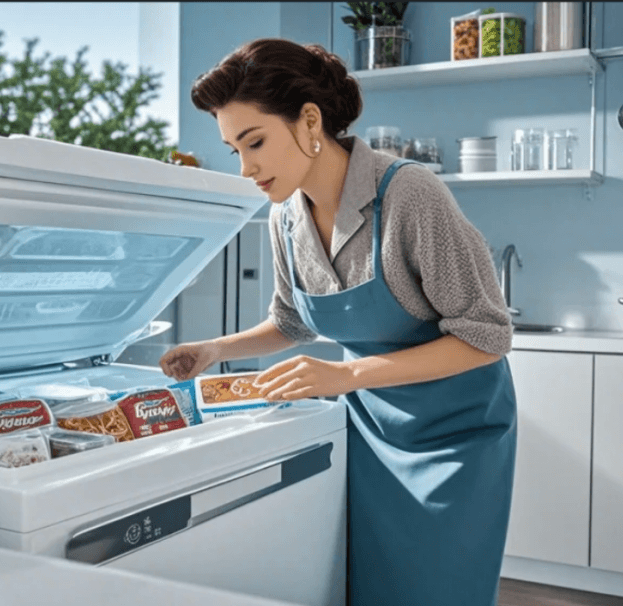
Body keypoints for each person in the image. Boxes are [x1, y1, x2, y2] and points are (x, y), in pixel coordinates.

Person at [159, 38, 517, 606]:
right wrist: (214, 349)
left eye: (255, 142)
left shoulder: (409, 195)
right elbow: (291, 322)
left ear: (309, 121)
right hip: (367, 435)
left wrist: (343, 377)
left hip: (455, 439)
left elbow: (486, 336)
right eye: (234, 151)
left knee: (440, 589)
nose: (248, 168)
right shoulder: (284, 219)